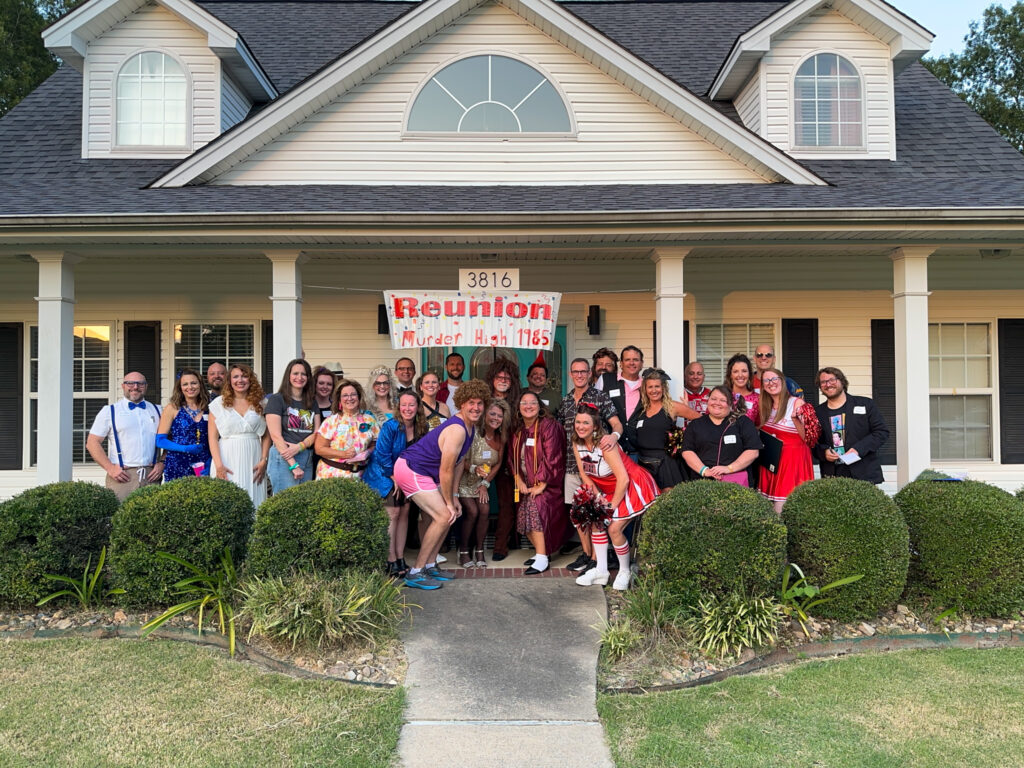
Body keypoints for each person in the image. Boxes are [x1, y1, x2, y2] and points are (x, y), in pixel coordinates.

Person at [394, 378, 491, 590]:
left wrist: (454, 497)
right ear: (462, 404)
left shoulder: (470, 428)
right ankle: (416, 572)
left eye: (480, 403)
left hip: (426, 473)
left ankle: (430, 565)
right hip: (411, 469)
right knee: (444, 515)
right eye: (471, 403)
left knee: (448, 515)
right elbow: (445, 470)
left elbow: (458, 465)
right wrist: (448, 501)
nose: (476, 407)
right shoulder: (457, 429)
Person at [572, 404, 659, 591]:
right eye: (578, 422)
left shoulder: (605, 445)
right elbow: (585, 475)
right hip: (605, 489)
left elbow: (623, 478)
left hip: (631, 485)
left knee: (614, 528)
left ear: (595, 426)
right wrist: (598, 500)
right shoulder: (577, 443)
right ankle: (601, 571)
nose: (580, 426)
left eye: (586, 422)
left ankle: (624, 571)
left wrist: (610, 506)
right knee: (596, 521)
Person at [555, 358, 624, 573]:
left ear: (589, 373)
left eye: (583, 372)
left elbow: (616, 423)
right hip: (571, 464)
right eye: (575, 372)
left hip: (595, 468)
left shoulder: (599, 397)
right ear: (570, 374)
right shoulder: (566, 401)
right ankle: (586, 555)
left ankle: (597, 559)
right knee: (578, 515)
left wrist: (614, 436)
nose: (579, 375)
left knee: (595, 515)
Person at [363, 390, 428, 579]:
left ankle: (400, 557)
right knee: (393, 513)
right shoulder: (391, 426)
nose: (407, 409)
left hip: (405, 475)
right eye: (404, 405)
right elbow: (382, 455)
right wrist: (394, 478)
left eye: (412, 405)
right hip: (384, 474)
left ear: (418, 407)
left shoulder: (421, 428)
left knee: (405, 513)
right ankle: (390, 559)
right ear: (399, 407)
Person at [510, 392, 567, 574]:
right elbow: (512, 458)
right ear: (518, 408)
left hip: (547, 484)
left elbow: (554, 457)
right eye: (524, 402)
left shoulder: (549, 427)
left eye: (532, 402)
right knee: (523, 519)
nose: (528, 406)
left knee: (537, 513)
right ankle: (541, 552)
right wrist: (517, 478)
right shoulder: (518, 430)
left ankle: (543, 558)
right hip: (525, 484)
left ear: (540, 406)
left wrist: (543, 482)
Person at [86, 372, 163, 501]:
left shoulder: (158, 410)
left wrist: (162, 463)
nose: (135, 387)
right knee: (119, 517)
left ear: (146, 386)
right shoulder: (110, 411)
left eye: (140, 383)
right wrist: (110, 468)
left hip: (152, 475)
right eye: (130, 383)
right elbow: (92, 443)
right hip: (122, 476)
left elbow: (171, 438)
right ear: (123, 386)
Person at [456, 399, 510, 569]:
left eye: (499, 416)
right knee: (472, 511)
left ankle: (479, 550)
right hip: (463, 480)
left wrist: (485, 483)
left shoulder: (501, 438)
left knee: (485, 510)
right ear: (485, 415)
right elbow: (459, 459)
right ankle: (463, 550)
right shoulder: (473, 433)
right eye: (492, 414)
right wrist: (474, 469)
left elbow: (498, 464)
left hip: (481, 483)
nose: (495, 418)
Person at [813, 367, 890, 484]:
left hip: (864, 474)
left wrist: (858, 450)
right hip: (833, 476)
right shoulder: (817, 413)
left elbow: (881, 432)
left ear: (842, 381)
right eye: (823, 382)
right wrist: (823, 453)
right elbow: (814, 443)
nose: (828, 384)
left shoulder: (865, 404)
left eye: (832, 380)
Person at [208, 364, 270, 506]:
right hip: (226, 458)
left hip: (254, 457)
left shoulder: (262, 403)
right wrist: (219, 465)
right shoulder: (218, 404)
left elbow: (267, 435)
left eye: (244, 376)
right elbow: (212, 438)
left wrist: (263, 459)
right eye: (235, 377)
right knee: (227, 500)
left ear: (251, 379)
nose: (240, 380)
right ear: (229, 381)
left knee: (254, 500)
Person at [625, 370, 698, 489]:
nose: (654, 390)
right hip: (643, 463)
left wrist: (684, 437)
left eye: (657, 386)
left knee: (668, 502)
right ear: (645, 389)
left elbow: (701, 421)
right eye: (650, 387)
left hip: (666, 464)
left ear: (663, 388)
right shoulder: (641, 410)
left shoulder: (672, 407)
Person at [757, 368, 816, 513]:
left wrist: (796, 420)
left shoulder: (798, 403)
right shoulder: (765, 406)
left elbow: (810, 439)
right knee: (766, 511)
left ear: (783, 381)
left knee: (781, 511)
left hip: (791, 464)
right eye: (766, 380)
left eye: (774, 379)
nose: (771, 383)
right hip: (771, 462)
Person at [680, 385, 762, 485]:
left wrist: (729, 468)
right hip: (702, 482)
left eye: (723, 400)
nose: (717, 403)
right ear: (708, 401)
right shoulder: (695, 424)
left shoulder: (743, 422)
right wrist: (705, 471)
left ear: (731, 404)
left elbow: (753, 451)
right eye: (713, 399)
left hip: (736, 481)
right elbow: (687, 451)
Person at [485, 357, 523, 561]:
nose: (503, 380)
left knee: (509, 501)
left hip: (512, 458)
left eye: (507, 377)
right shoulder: (483, 399)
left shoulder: (519, 399)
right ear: (492, 378)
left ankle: (501, 545)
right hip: (486, 455)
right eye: (499, 376)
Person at [265, 358, 319, 492]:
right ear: (288, 375)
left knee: (303, 504)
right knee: (285, 504)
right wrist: (293, 465)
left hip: (306, 456)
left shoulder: (312, 402)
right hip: (283, 457)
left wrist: (301, 446)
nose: (299, 377)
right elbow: (275, 436)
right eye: (295, 373)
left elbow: (317, 432)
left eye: (304, 374)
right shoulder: (276, 400)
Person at [315, 379, 379, 480]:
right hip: (331, 476)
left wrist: (367, 452)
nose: (349, 398)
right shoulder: (331, 421)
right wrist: (343, 454)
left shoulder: (369, 420)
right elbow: (319, 448)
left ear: (359, 397)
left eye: (353, 394)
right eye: (345, 395)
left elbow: (375, 444)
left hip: (361, 476)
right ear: (339, 400)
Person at [155, 368, 211, 482]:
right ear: (180, 388)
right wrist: (184, 448)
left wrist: (211, 462)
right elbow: (160, 440)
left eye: (194, 383)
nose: (190, 387)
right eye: (185, 384)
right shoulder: (172, 408)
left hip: (203, 464)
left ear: (200, 385)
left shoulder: (209, 408)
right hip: (177, 463)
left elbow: (216, 438)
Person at [596, 345, 645, 451]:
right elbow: (594, 410)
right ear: (621, 364)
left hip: (638, 451)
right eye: (627, 360)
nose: (631, 363)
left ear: (641, 364)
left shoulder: (647, 385)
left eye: (635, 360)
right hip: (610, 448)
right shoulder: (605, 380)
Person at [725, 353, 759, 422]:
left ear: (749, 374)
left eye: (744, 371)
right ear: (730, 375)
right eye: (735, 371)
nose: (740, 375)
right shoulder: (723, 396)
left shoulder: (758, 399)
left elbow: (760, 426)